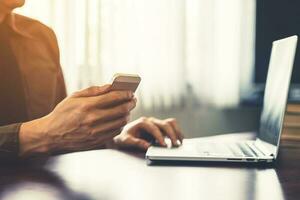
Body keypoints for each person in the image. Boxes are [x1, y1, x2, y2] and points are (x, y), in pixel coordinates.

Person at [0, 0, 183, 160]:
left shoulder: (41, 37)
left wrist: (111, 140)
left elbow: (58, 133)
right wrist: (42, 134)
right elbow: (47, 133)